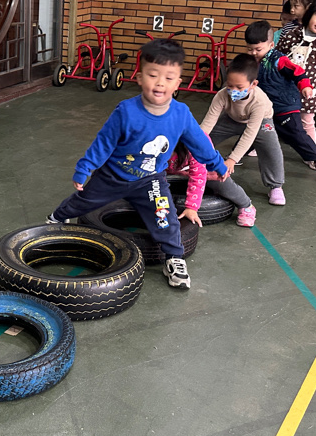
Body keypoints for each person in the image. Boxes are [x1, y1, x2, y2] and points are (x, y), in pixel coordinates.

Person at [47, 38, 229, 290]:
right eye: (153, 75)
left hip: (150, 180)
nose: (160, 83)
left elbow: (201, 145)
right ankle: (56, 217)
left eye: (168, 77)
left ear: (178, 83)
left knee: (165, 217)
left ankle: (174, 258)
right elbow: (103, 143)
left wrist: (218, 164)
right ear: (140, 78)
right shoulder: (125, 111)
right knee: (83, 201)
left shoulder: (181, 114)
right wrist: (84, 168)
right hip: (112, 176)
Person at [245, 21, 316, 184]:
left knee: (295, 135)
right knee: (252, 129)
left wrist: (305, 86)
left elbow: (298, 72)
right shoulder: (250, 62)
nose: (254, 53)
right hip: (264, 107)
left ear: (271, 45)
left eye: (258, 49)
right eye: (250, 49)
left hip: (285, 105)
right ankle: (236, 155)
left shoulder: (279, 60)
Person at [199, 53, 286, 209]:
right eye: (230, 85)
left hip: (261, 122)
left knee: (271, 149)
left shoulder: (259, 101)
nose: (233, 91)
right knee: (203, 139)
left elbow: (250, 134)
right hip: (232, 118)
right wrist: (194, 143)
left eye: (239, 87)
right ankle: (188, 162)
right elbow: (207, 124)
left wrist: (232, 159)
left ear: (253, 84)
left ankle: (275, 186)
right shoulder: (221, 95)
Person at [277, 0, 316, 151]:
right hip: (284, 88)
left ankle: (313, 153)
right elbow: (276, 57)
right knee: (272, 117)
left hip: (308, 92)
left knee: (307, 121)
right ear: (309, 14)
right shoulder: (292, 35)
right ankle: (259, 147)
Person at [166, 143, 257, 227]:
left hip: (204, 169)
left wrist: (191, 208)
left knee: (222, 184)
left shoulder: (195, 148)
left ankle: (246, 205)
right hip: (170, 169)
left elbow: (198, 178)